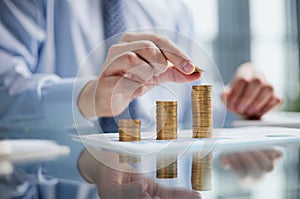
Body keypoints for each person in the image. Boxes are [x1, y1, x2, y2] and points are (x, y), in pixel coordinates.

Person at [0, 0, 281, 131]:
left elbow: (186, 106)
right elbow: (5, 92)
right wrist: (88, 97)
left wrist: (240, 104)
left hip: (154, 180)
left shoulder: (175, 10)